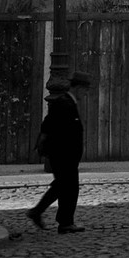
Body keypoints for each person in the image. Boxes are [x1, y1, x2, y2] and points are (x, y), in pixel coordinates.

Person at [28, 71, 91, 234]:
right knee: (68, 186)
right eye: (85, 89)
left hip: (65, 154)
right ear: (78, 88)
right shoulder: (65, 103)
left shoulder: (67, 102)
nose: (85, 94)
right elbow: (51, 126)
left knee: (63, 186)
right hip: (64, 154)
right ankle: (60, 220)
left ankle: (59, 219)